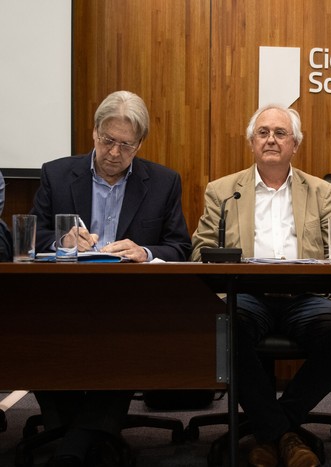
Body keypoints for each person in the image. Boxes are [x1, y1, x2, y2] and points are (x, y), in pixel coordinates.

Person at [190, 104, 331, 467]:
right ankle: (285, 436)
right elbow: (199, 251)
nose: (271, 139)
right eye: (263, 132)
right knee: (227, 329)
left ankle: (270, 430)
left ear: (295, 145)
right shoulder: (222, 191)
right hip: (246, 294)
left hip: (306, 296)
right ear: (252, 142)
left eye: (280, 133)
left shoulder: (318, 191)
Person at [30, 90, 192, 467]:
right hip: (65, 295)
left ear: (139, 145)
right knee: (31, 325)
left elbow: (179, 246)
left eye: (125, 144)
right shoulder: (56, 173)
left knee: (131, 331)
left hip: (129, 299)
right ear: (94, 133)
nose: (114, 153)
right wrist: (61, 241)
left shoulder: (164, 182)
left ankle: (73, 443)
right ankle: (89, 434)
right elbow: (31, 239)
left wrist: (145, 253)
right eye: (107, 141)